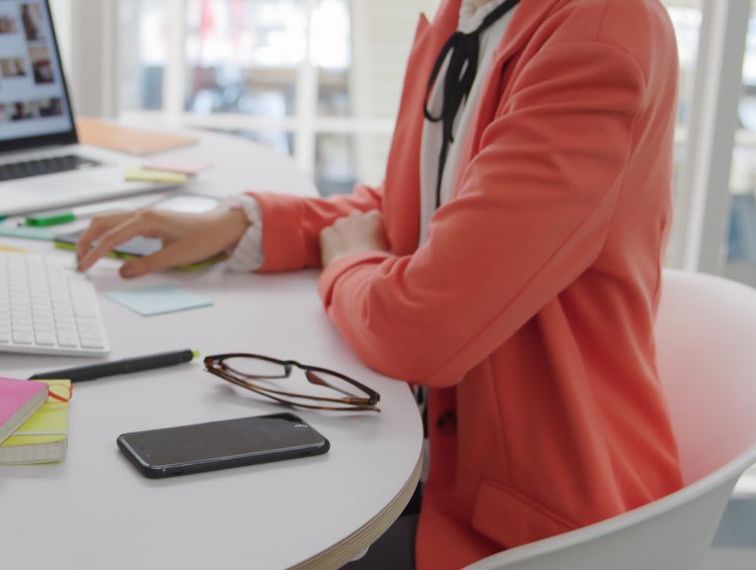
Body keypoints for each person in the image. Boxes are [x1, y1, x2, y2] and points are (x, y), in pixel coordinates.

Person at [76, 0, 684, 568]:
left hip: (533, 525)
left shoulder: (599, 34)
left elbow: (424, 329)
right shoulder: (465, 14)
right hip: (435, 459)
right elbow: (426, 212)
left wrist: (348, 266)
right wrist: (243, 222)